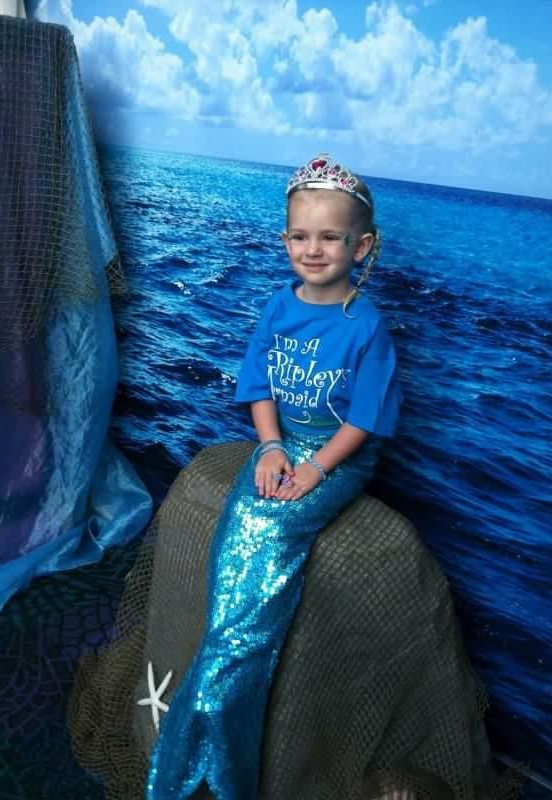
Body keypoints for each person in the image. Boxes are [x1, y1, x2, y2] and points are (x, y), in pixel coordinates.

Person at [146, 153, 402, 800]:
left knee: (276, 528)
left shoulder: (367, 327)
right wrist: (268, 446)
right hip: (281, 443)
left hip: (336, 454)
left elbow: (362, 423)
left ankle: (211, 729)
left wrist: (314, 467)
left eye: (330, 237)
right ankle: (217, 708)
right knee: (241, 523)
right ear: (285, 238)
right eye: (300, 236)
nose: (312, 250)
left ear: (361, 246)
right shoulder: (278, 306)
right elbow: (260, 385)